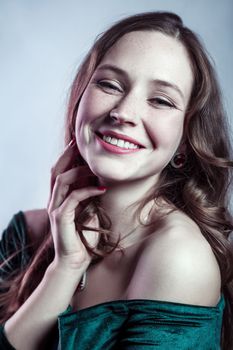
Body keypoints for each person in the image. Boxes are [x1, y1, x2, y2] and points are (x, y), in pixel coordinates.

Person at [0, 11, 233, 350]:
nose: (123, 112)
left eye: (160, 100)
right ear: (81, 97)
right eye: (110, 84)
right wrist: (65, 269)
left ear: (184, 141)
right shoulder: (27, 232)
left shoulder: (179, 259)